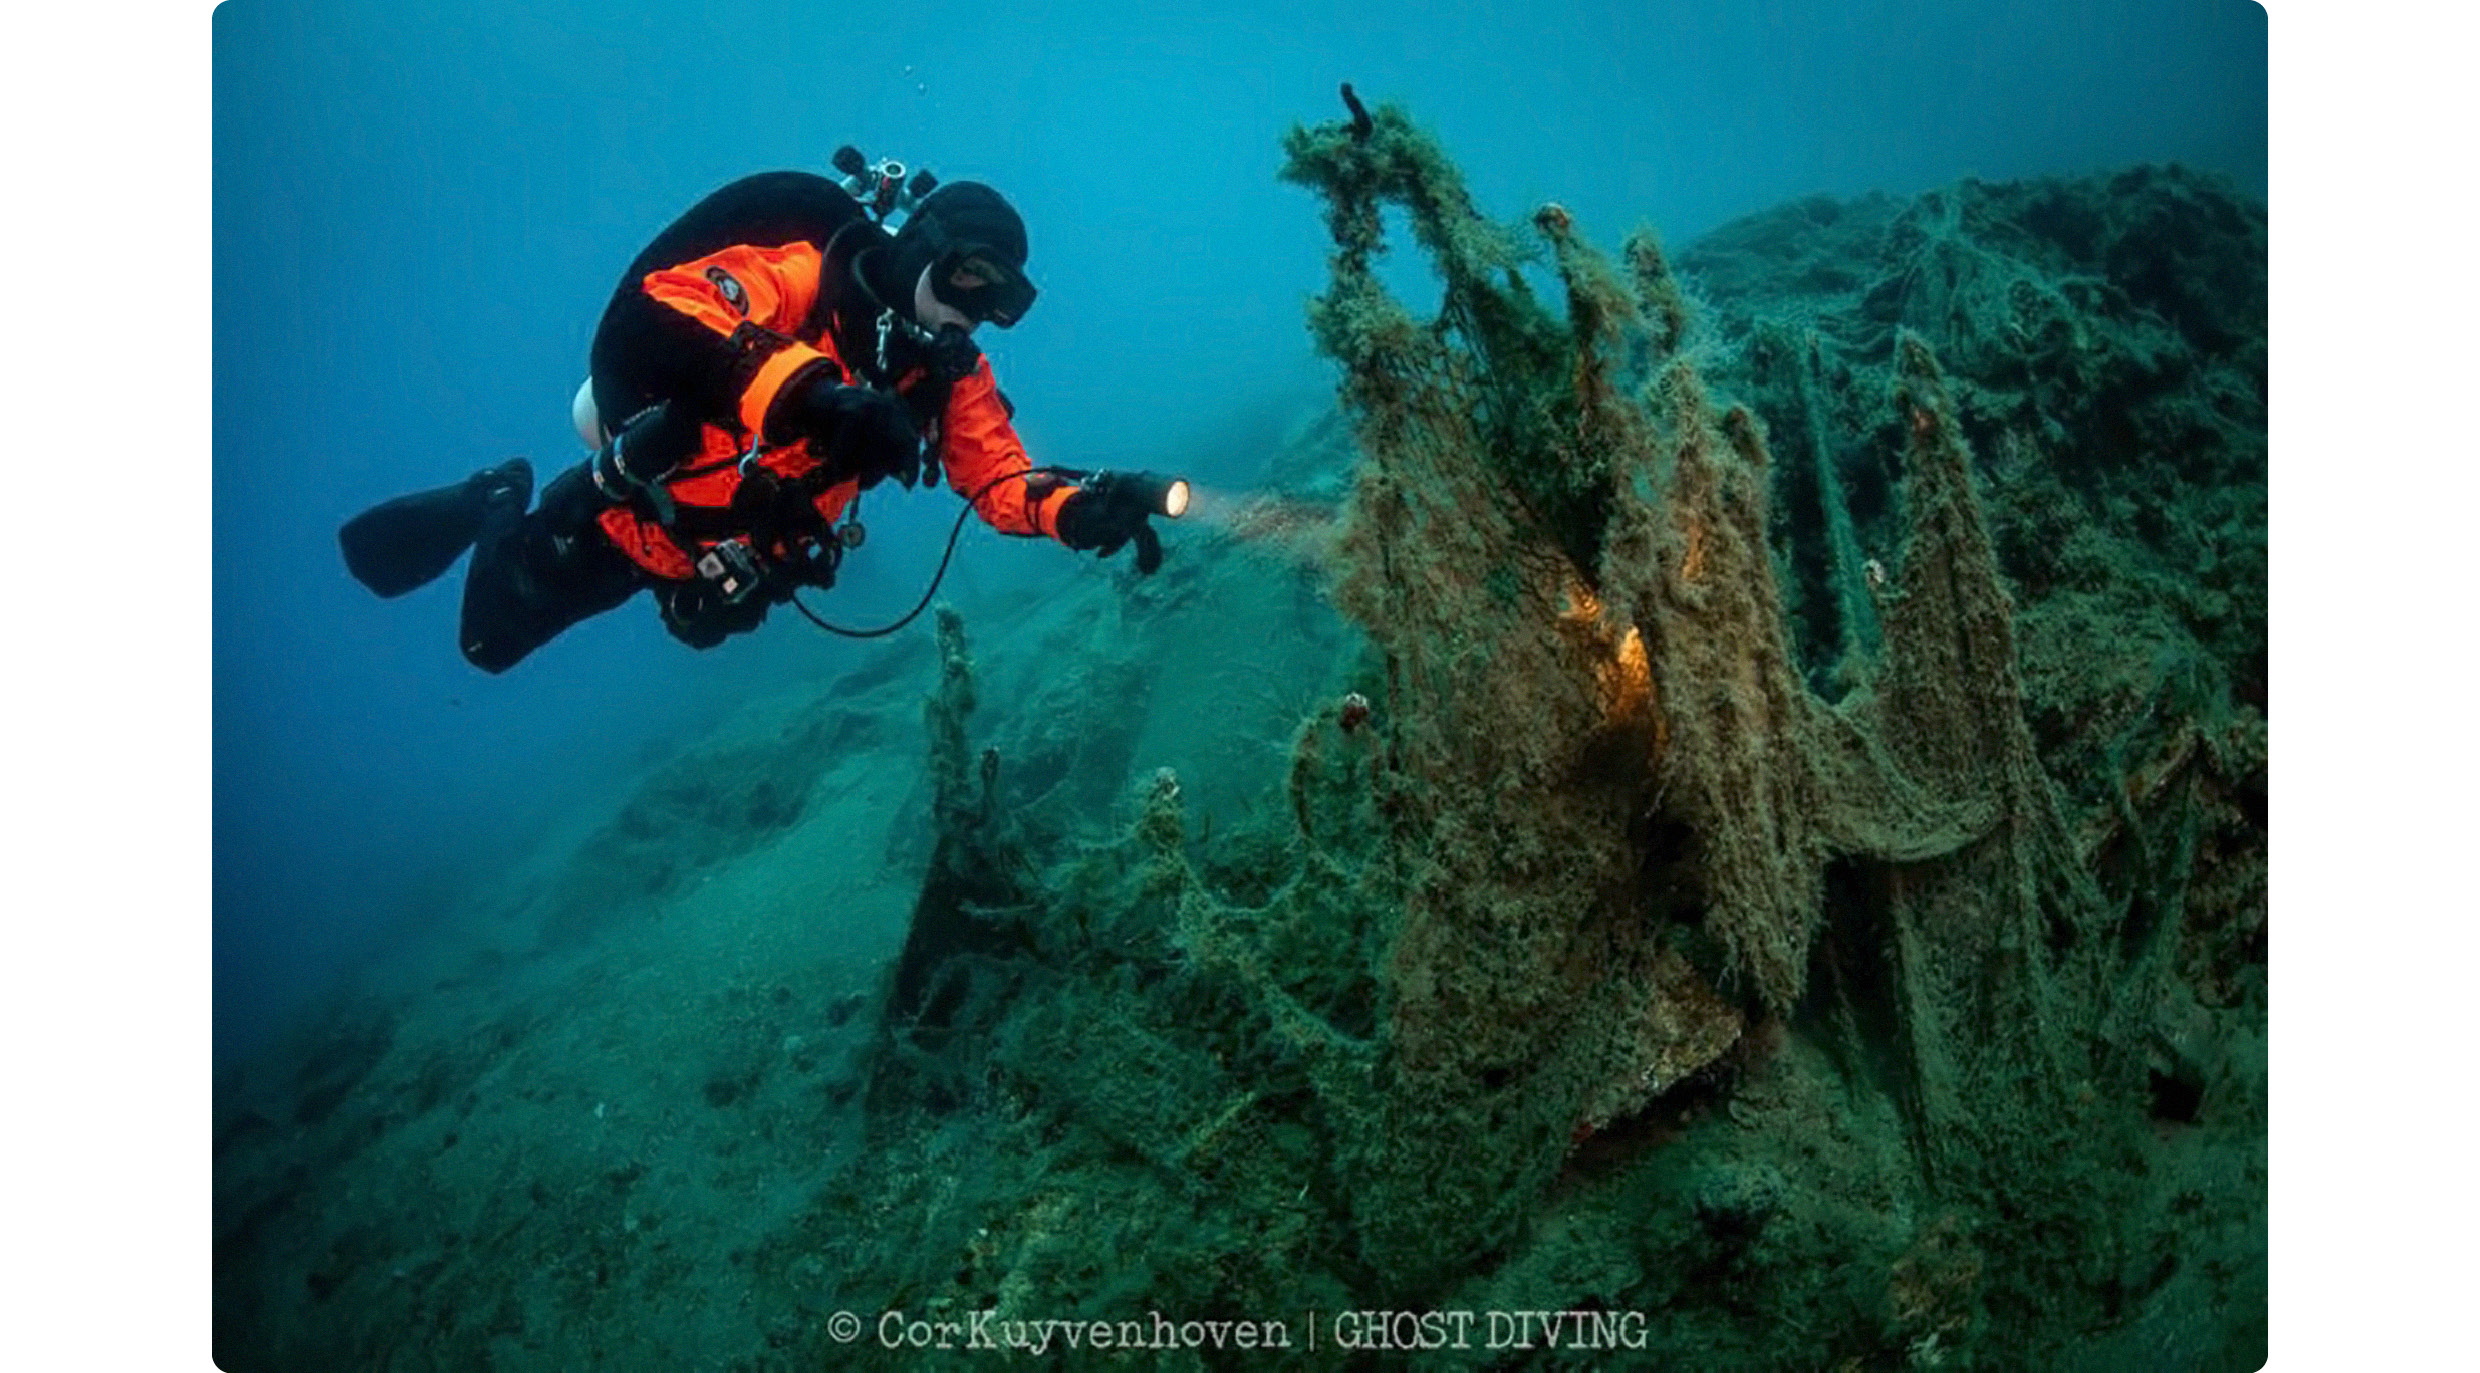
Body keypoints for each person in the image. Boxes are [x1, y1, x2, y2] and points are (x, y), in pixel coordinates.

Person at [338, 162, 1177, 673]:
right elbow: (665, 307)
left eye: (1005, 300)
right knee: (485, 647)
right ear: (927, 243)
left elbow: (998, 477)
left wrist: (1075, 511)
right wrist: (813, 394)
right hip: (624, 521)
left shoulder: (946, 375)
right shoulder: (804, 276)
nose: (979, 309)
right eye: (972, 276)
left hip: (723, 566)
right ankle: (497, 494)